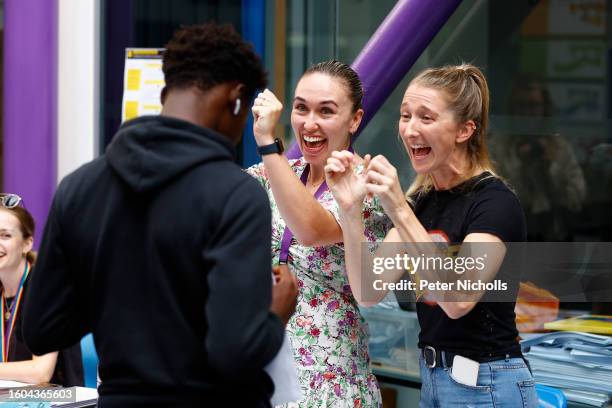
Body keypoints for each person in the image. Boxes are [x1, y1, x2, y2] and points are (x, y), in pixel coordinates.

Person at [22, 23, 297, 408]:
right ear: (236, 98)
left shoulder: (80, 188)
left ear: (167, 93)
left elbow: (42, 329)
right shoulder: (235, 194)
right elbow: (233, 353)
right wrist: (274, 314)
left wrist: (115, 290)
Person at [326, 64, 538, 407]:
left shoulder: (494, 202)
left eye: (426, 118)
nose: (410, 129)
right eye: (405, 116)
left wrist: (397, 207)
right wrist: (350, 211)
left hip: (488, 385)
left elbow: (457, 301)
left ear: (465, 130)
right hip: (434, 382)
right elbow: (368, 290)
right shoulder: (420, 203)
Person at [247, 61, 391, 407]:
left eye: (326, 111)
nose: (309, 124)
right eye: (301, 108)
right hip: (266, 368)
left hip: (329, 380)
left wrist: (268, 143)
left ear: (355, 119)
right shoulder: (278, 172)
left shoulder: (368, 185)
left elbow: (311, 230)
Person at [0, 193, 82, 386]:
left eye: (5, 235)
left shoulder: (47, 290)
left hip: (55, 402)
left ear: (27, 243)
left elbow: (40, 373)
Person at [489, 78, 586, 241]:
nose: (527, 113)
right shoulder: (497, 148)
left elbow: (577, 200)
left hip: (554, 237)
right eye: (521, 106)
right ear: (512, 109)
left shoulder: (560, 148)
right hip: (510, 238)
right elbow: (492, 200)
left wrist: (550, 168)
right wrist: (520, 167)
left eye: (533, 105)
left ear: (544, 108)